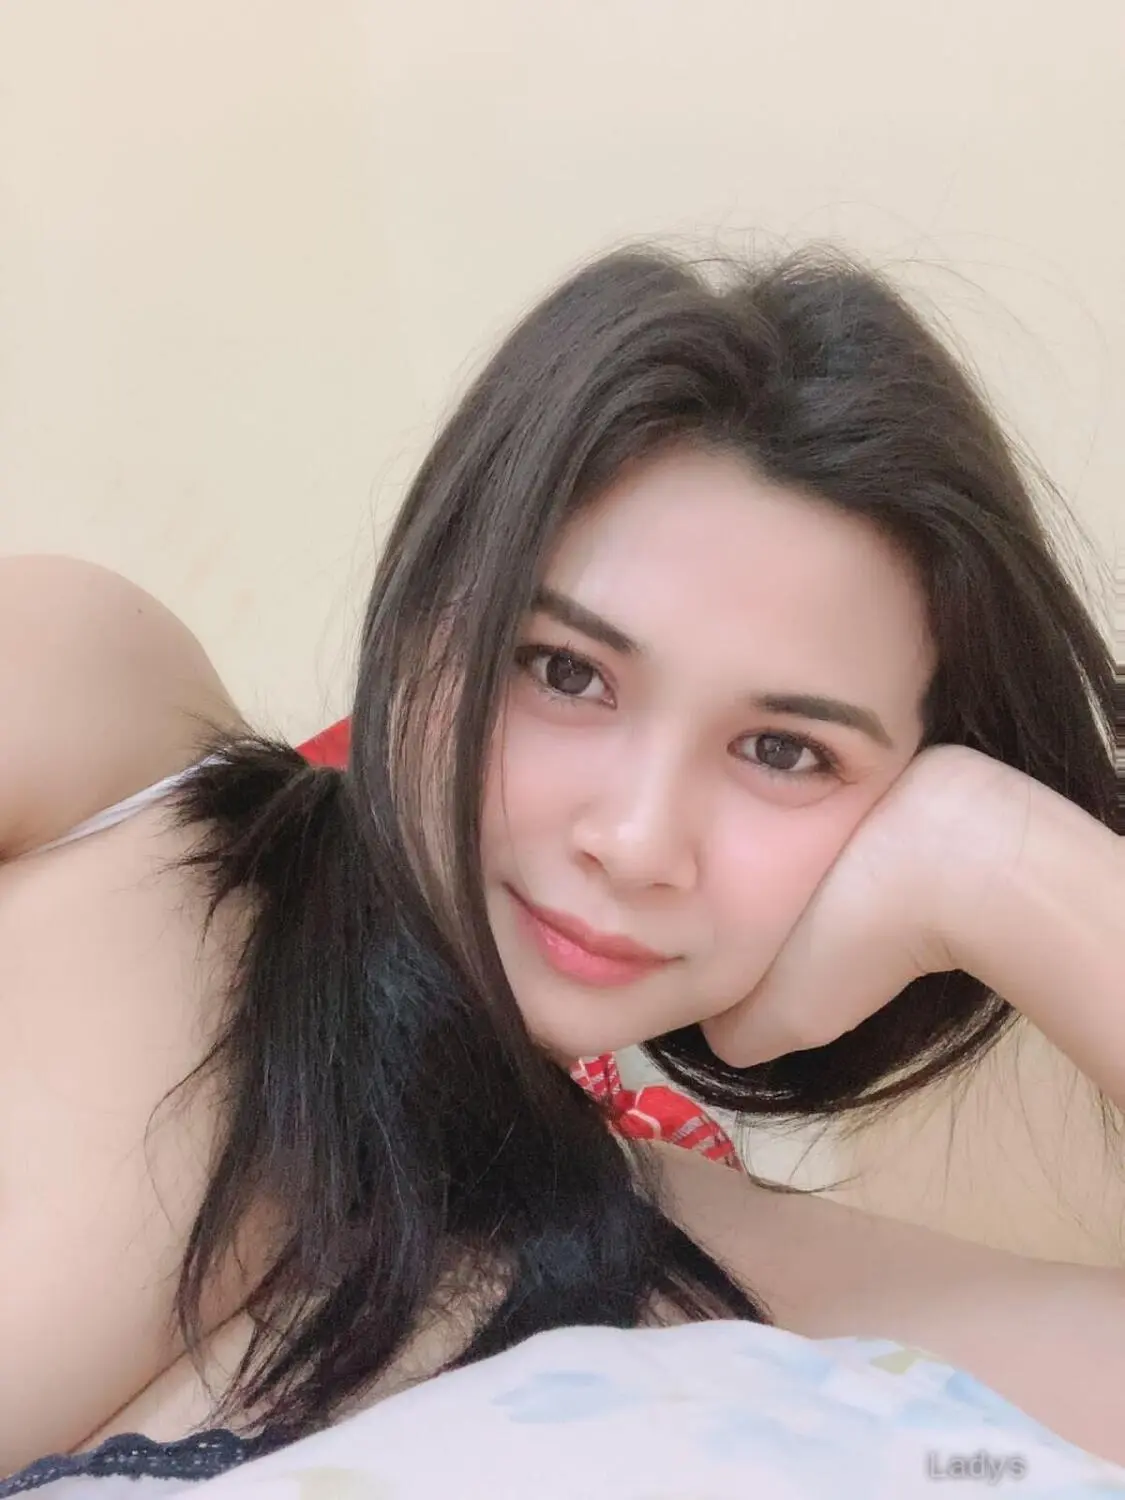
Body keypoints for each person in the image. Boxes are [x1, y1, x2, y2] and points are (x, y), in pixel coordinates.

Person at [1, 245, 1121, 1486]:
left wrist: (1001, 868)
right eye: (566, 671)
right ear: (432, 610)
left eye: (784, 751)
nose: (635, 843)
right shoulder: (120, 751)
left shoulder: (708, 1274)